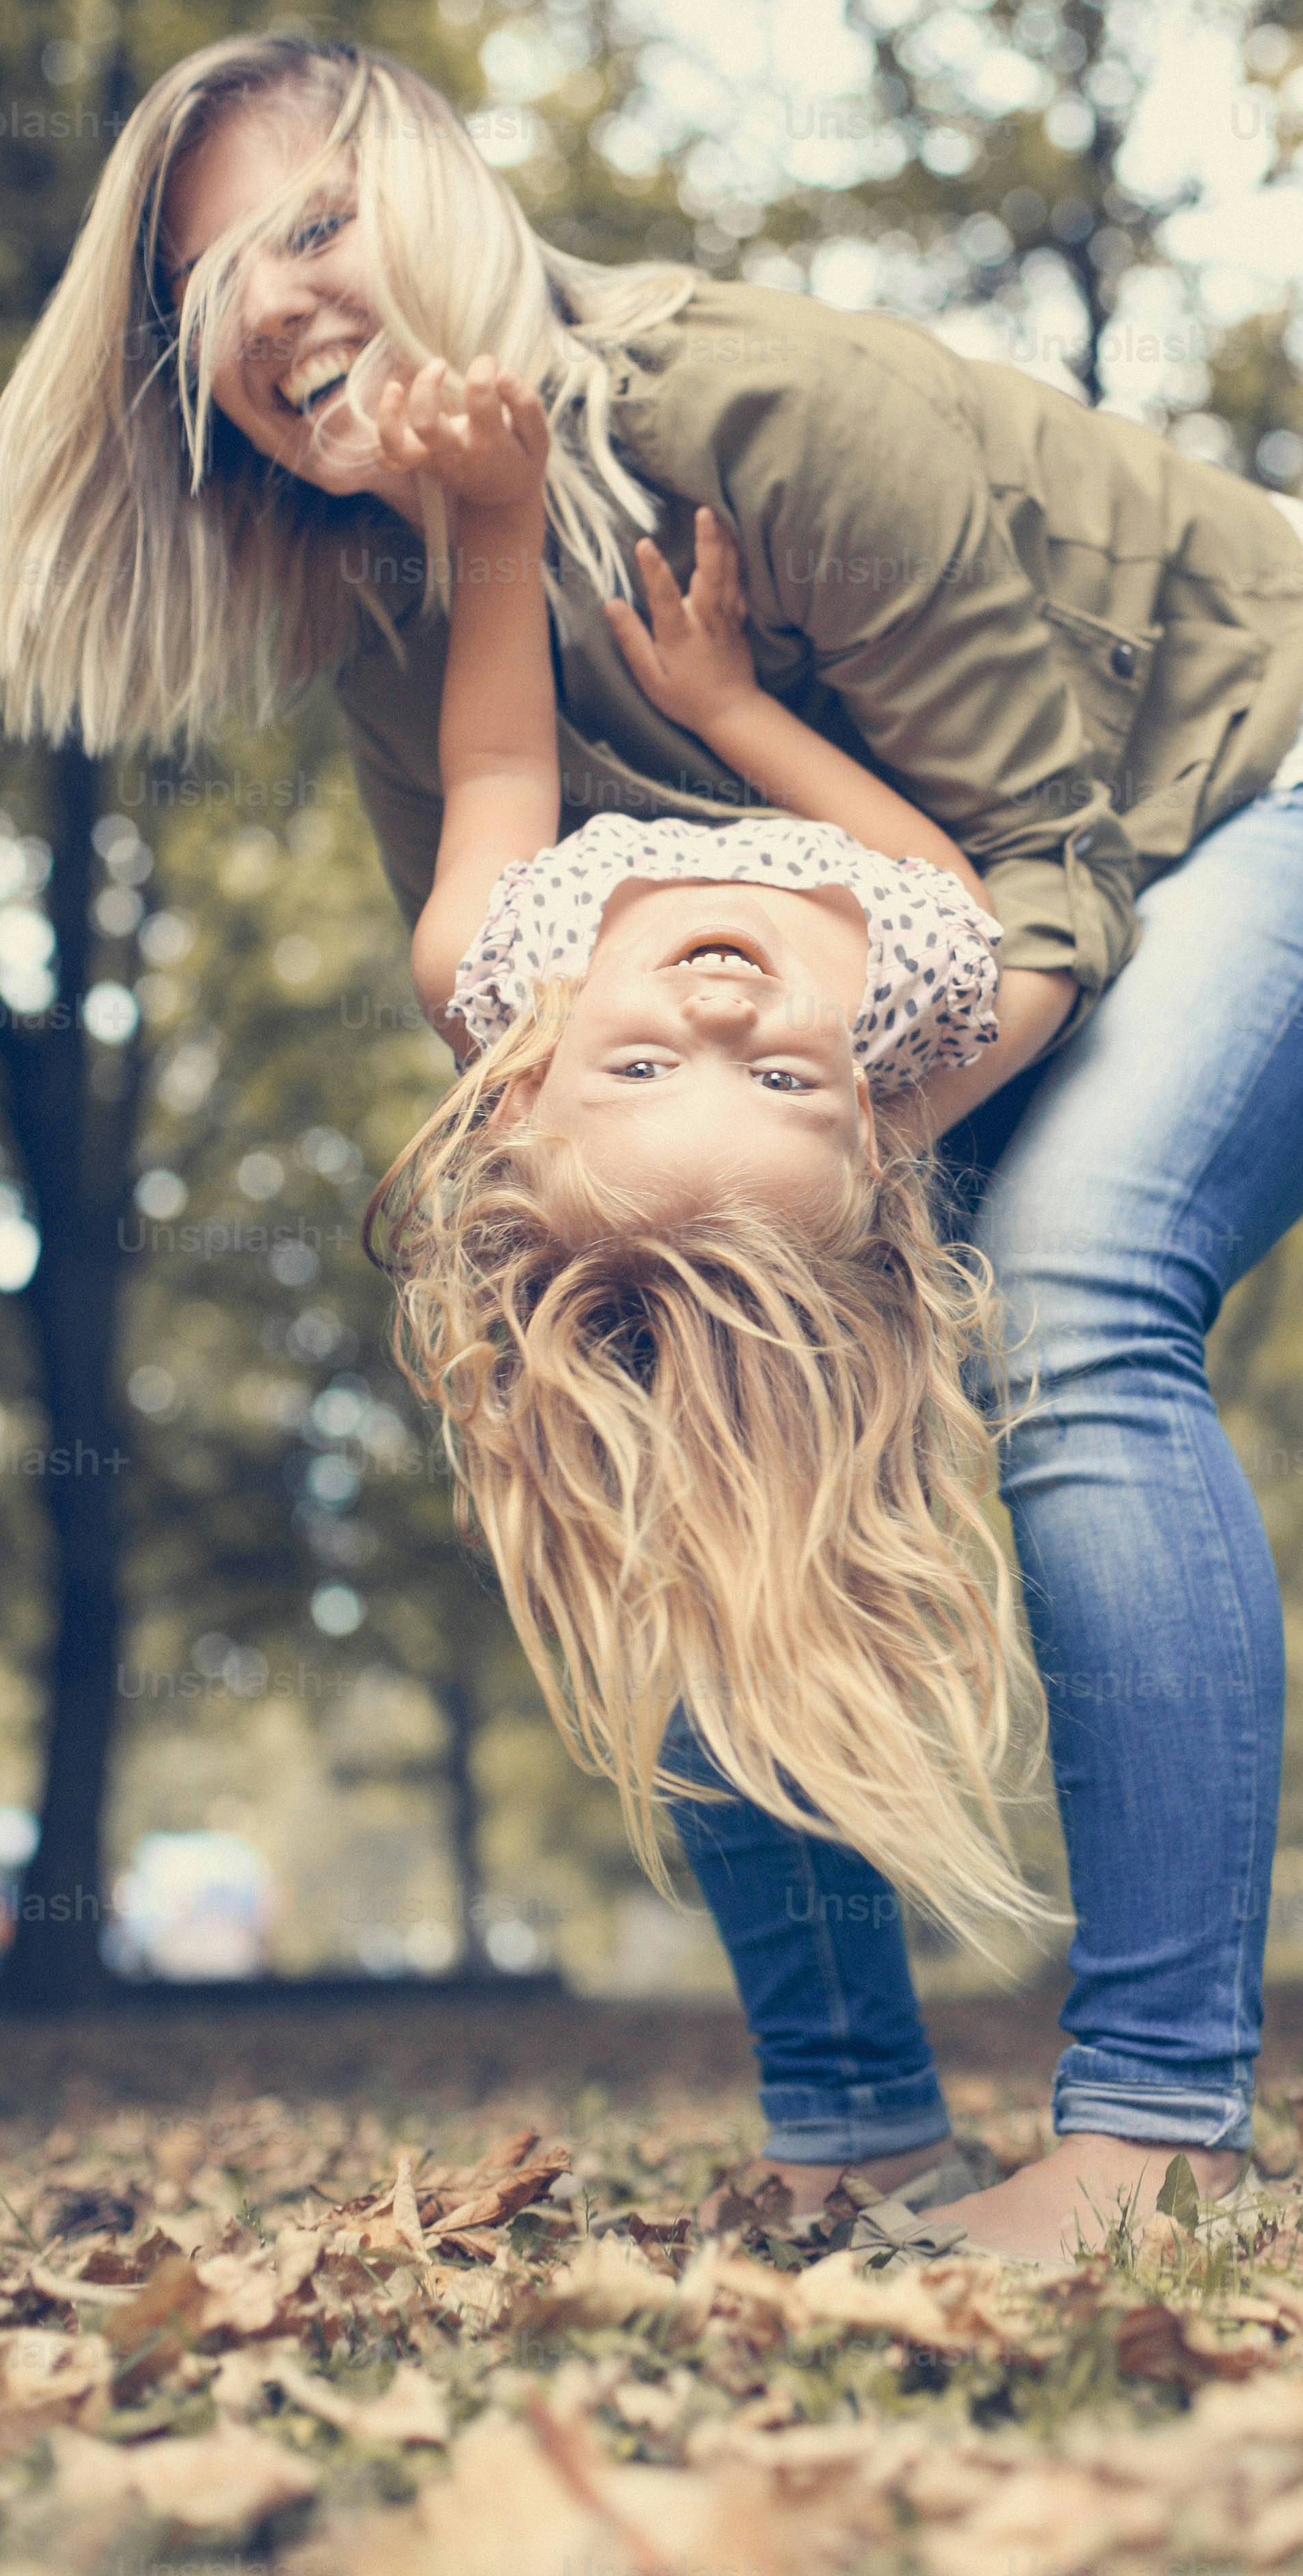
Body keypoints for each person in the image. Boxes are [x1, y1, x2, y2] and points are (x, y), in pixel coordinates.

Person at [0, 30, 1303, 2265]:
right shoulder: (400, 624)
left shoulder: (760, 413)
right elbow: (519, 987)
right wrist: (648, 1214)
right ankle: (859, 2118)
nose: (282, 300)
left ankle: (1158, 2118)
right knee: (660, 1359)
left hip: (1296, 787)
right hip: (919, 961)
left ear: (449, 184)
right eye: (217, 303)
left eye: (313, 220)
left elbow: (1046, 879)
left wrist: (806, 1123)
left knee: (1067, 1290)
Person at [359, 346, 1042, 1952]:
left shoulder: (494, 964)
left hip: (583, 638)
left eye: (650, 1062)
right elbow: (935, 871)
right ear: (869, 1117)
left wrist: (503, 512)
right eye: (787, 1081)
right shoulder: (915, 988)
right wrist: (733, 711)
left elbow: (501, 766)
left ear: (525, 1093)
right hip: (758, 698)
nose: (728, 1007)